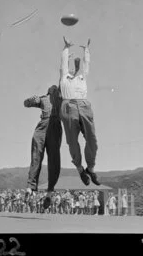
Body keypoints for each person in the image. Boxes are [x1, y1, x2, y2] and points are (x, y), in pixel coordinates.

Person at [59, 37, 100, 186]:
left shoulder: (83, 76)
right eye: (73, 65)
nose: (75, 67)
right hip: (68, 106)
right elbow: (64, 64)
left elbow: (86, 64)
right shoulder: (64, 77)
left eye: (78, 65)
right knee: (72, 142)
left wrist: (86, 50)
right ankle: (79, 168)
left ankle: (90, 168)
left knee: (92, 140)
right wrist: (66, 47)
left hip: (84, 106)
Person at [23, 85, 63, 210]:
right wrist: (31, 100)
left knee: (52, 159)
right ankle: (31, 188)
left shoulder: (62, 100)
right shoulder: (45, 99)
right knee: (38, 156)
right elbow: (27, 103)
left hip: (54, 125)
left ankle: (48, 192)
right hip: (44, 125)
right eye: (52, 90)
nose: (54, 90)